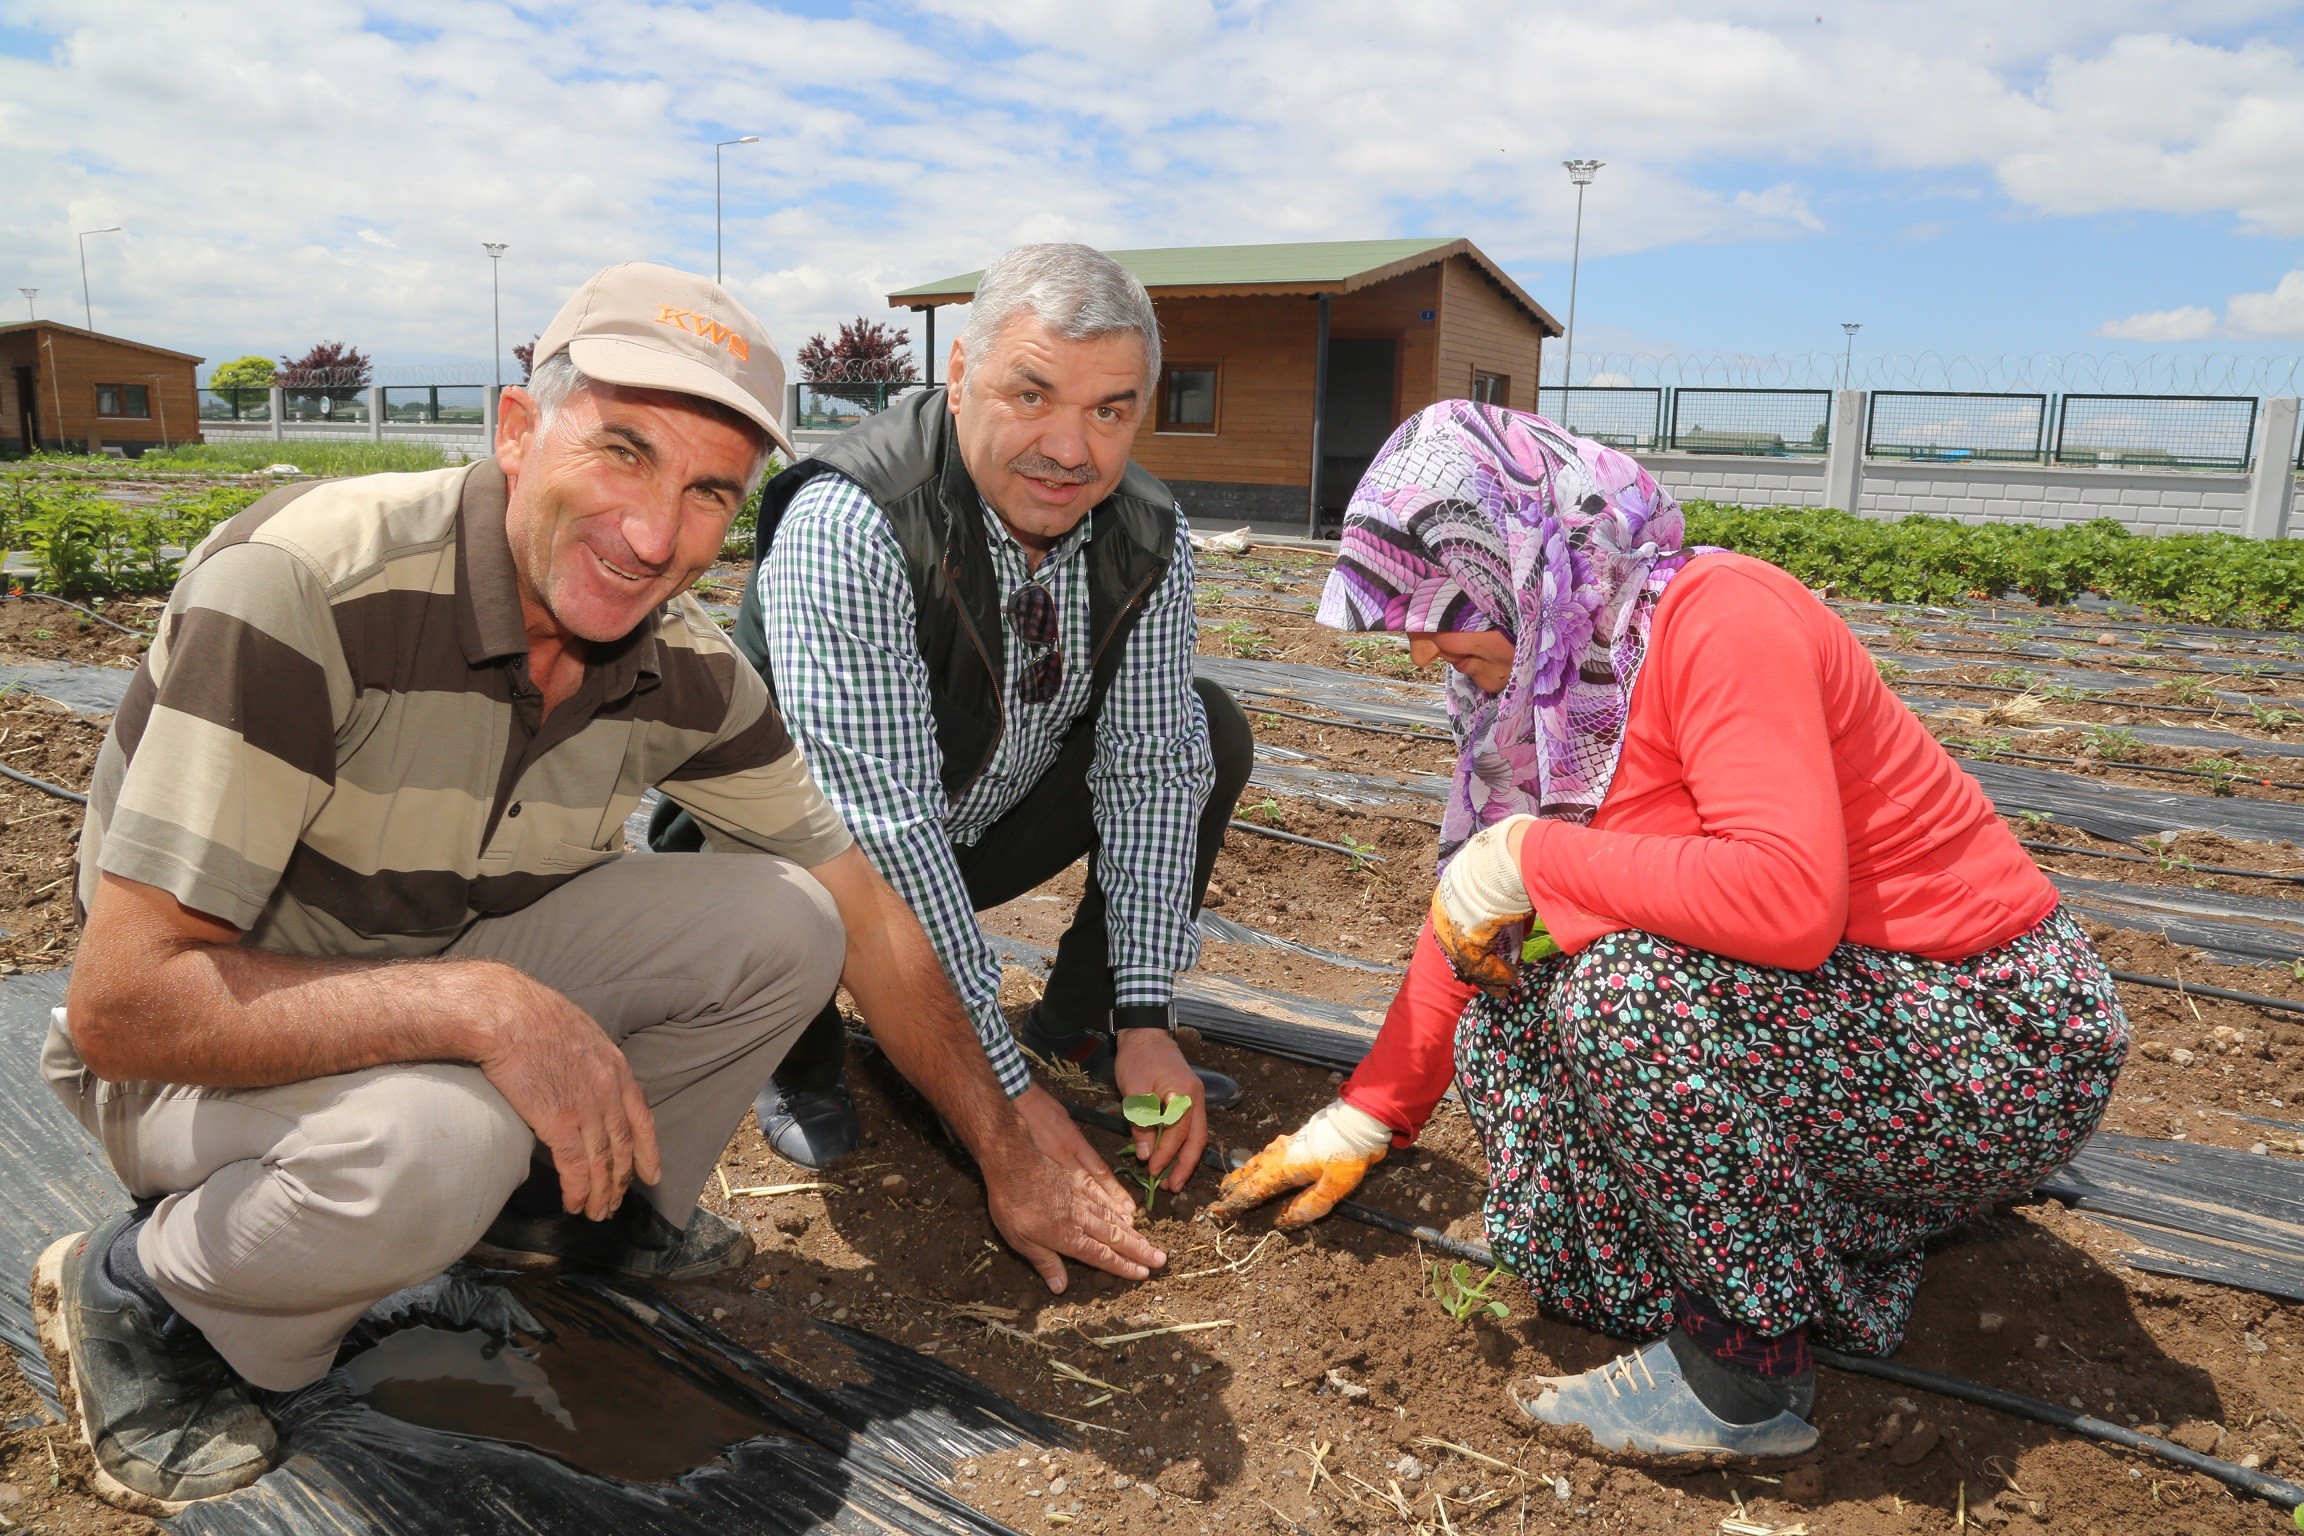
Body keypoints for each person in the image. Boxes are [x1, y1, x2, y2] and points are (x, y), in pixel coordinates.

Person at [33, 263, 1165, 1515]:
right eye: (622, 453)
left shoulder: (673, 664)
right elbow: (125, 1007)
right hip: (199, 1054)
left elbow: (858, 894)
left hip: (434, 974)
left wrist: (1007, 1141)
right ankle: (145, 1288)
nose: (651, 533)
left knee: (789, 916)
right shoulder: (307, 590)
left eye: (706, 494)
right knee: (437, 1139)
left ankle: (558, 1222)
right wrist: (482, 1011)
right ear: (519, 432)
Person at [1210, 400, 2128, 1458]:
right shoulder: (1550, 685)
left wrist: (1526, 859)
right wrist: (1366, 1116)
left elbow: (1786, 902)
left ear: (1531, 557)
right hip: (1857, 1019)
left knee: (1627, 992)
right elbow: (1474, 918)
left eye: (1446, 608)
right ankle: (1805, 1257)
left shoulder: (1720, 620)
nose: (1423, 649)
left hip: (1990, 1033)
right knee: (1515, 1011)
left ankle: (1742, 1372)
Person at [687, 243, 1252, 1193]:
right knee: (793, 886)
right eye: (1030, 396)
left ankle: (1087, 1016)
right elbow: (881, 828)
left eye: (1109, 412)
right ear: (958, 379)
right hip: (799, 858)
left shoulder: (1148, 537)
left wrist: (1147, 1014)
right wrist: (999, 1087)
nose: (1071, 450)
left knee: (1205, 730)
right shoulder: (855, 521)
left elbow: (1152, 768)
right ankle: (797, 1053)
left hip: (968, 823)